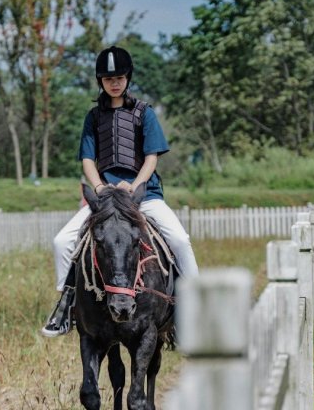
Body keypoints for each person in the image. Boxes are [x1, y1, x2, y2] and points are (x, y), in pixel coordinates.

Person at [41, 46, 199, 337]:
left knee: (179, 239)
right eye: (108, 78)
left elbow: (152, 156)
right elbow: (88, 160)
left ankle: (198, 306)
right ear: (100, 80)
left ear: (128, 78)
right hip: (106, 199)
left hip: (144, 196)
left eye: (120, 77)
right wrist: (100, 187)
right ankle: (67, 306)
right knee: (62, 241)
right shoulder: (93, 117)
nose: (115, 83)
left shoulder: (144, 113)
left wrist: (136, 184)